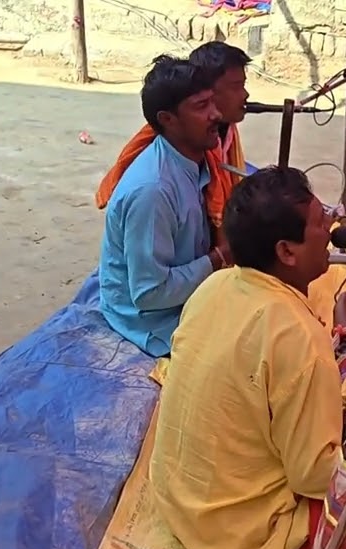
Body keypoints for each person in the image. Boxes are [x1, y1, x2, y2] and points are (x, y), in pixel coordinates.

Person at [149, 166, 340, 549]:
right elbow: (313, 475)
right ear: (287, 252)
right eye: (319, 222)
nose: (330, 229)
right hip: (236, 537)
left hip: (178, 503)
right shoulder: (300, 337)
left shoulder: (214, 287)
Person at [98, 56, 226, 357]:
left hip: (185, 292)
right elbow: (149, 293)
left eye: (213, 102)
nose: (215, 114)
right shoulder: (152, 191)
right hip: (151, 319)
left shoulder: (196, 159)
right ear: (167, 119)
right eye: (201, 106)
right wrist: (221, 256)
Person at [95, 41, 252, 235]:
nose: (245, 94)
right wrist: (221, 255)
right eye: (236, 87)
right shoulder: (154, 188)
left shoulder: (215, 134)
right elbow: (148, 266)